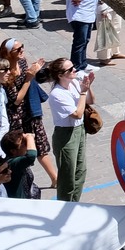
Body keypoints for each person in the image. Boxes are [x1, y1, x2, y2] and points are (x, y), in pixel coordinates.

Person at [45, 58, 96, 202]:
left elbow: (91, 101)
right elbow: (77, 114)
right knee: (68, 175)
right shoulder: (57, 94)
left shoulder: (73, 83)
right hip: (66, 135)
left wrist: (88, 87)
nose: (74, 70)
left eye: (73, 67)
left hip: (79, 130)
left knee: (80, 171)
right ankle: (65, 204)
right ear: (60, 75)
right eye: (70, 69)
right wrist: (83, 92)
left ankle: (75, 203)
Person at [62, 0, 101, 71]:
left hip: (89, 15)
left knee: (85, 41)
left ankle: (83, 63)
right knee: (79, 42)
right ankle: (76, 67)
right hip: (80, 16)